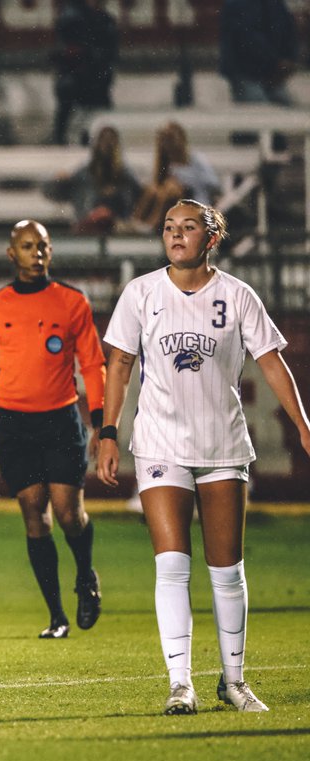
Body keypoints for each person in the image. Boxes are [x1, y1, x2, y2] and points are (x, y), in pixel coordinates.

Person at [97, 199, 310, 714]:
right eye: (169, 226)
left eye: (188, 227)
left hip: (221, 444)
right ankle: (180, 684)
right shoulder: (141, 293)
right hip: (160, 443)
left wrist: (304, 426)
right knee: (171, 565)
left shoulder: (237, 296)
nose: (175, 234)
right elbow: (120, 365)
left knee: (227, 570)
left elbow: (271, 363)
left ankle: (233, 681)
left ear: (211, 238)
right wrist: (106, 432)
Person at [0, 220, 106, 639]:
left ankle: (85, 576)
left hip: (60, 419)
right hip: (14, 423)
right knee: (36, 515)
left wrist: (103, 421)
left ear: (51, 252)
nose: (37, 253)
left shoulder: (72, 302)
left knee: (69, 514)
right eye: (28, 246)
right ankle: (57, 617)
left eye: (43, 246)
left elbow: (92, 364)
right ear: (11, 254)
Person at [43, 124, 140, 235]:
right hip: (88, 231)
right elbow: (50, 192)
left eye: (111, 140)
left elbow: (138, 200)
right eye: (103, 139)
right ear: (96, 144)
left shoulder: (126, 177)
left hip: (118, 233)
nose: (107, 144)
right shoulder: (83, 175)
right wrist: (59, 181)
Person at [51, 0, 119, 145]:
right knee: (69, 107)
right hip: (75, 74)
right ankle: (61, 140)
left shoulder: (104, 19)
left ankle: (91, 139)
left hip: (97, 74)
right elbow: (66, 45)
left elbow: (111, 49)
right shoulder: (71, 16)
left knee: (97, 110)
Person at [219, 0, 299, 106]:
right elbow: (247, 37)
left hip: (272, 70)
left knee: (285, 105)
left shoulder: (276, 3)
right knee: (257, 107)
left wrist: (290, 59)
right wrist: (277, 61)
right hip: (246, 71)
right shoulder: (238, 4)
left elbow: (288, 29)